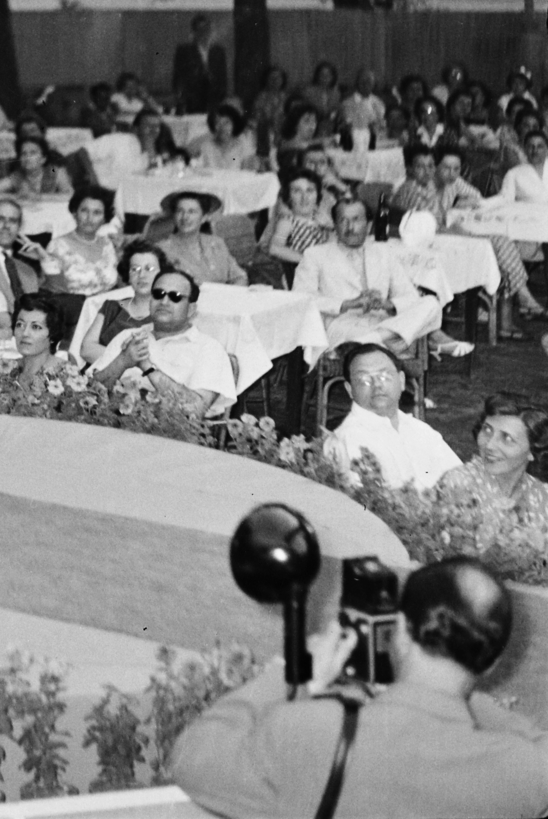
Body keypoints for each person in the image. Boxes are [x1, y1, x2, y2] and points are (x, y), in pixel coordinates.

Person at [172, 555, 548, 819]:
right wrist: (462, 696)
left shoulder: (309, 732)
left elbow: (193, 758)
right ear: (493, 662)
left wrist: (294, 675)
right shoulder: (521, 771)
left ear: (399, 631)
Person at [396, 144, 547, 322]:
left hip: (441, 237)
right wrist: (468, 235)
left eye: (430, 166)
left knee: (498, 242)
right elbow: (434, 227)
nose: (428, 171)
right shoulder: (417, 189)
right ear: (410, 169)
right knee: (497, 242)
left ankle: (516, 299)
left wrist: (459, 211)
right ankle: (516, 301)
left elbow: (474, 198)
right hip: (434, 244)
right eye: (421, 167)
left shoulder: (439, 185)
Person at [293, 198, 441, 356]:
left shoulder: (384, 253)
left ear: (369, 225)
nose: (350, 227)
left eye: (356, 220)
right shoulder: (315, 255)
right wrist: (348, 304)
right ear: (335, 226)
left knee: (431, 303)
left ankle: (371, 341)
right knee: (396, 346)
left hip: (384, 323)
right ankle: (382, 344)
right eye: (343, 220)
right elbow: (302, 298)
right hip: (344, 326)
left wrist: (387, 304)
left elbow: (409, 296)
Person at [89, 270, 235, 415]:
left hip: (171, 435)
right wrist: (122, 361)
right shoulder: (128, 337)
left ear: (191, 309)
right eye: (158, 294)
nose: (164, 302)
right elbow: (88, 392)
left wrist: (147, 367)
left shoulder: (208, 349)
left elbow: (195, 409)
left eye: (175, 297)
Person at [322, 342, 461, 490]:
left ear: (401, 381)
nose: (377, 385)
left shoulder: (421, 430)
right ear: (350, 390)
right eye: (364, 380)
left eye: (384, 376)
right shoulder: (348, 439)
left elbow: (460, 477)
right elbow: (365, 505)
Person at [438, 393, 548, 531]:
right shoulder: (458, 484)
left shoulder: (542, 497)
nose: (489, 445)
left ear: (532, 450)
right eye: (487, 430)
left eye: (507, 438)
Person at [76, 241, 171, 364]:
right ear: (128, 275)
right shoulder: (111, 307)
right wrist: (128, 359)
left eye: (149, 269)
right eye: (135, 269)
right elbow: (86, 350)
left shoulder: (166, 314)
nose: (141, 275)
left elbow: (162, 361)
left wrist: (113, 357)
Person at [155, 190, 249, 286]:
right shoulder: (163, 250)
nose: (185, 217)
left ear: (204, 217)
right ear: (174, 216)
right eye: (180, 211)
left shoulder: (216, 243)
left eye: (192, 212)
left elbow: (240, 276)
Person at [0, 198, 56, 303]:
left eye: (13, 221)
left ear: (19, 228)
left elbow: (55, 297)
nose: (6, 226)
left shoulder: (27, 271)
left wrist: (46, 260)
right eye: (0, 219)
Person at [45, 186, 120, 299]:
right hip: (72, 311)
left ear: (105, 218)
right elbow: (54, 290)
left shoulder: (107, 244)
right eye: (84, 211)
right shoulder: (57, 246)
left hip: (107, 310)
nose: (89, 218)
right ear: (75, 213)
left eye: (97, 213)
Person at [0, 293, 72, 390]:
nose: (25, 333)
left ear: (53, 335)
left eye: (36, 327)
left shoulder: (65, 374)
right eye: (20, 325)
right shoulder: (5, 368)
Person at [260, 169, 334, 268]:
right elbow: (275, 248)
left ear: (317, 195)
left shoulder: (323, 219)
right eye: (297, 191)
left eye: (310, 191)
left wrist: (331, 228)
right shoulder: (287, 222)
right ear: (289, 197)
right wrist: (310, 261)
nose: (304, 197)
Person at [0, 136, 72, 202]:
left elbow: (70, 196)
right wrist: (15, 197)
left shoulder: (55, 171)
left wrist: (39, 198)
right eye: (23, 154)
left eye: (33, 153)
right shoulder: (17, 176)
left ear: (43, 159)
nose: (27, 157)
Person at [171, 13, 228, 115]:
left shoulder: (218, 51)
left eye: (207, 29)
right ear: (194, 32)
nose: (205, 34)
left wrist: (221, 98)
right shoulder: (184, 51)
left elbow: (222, 78)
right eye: (200, 30)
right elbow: (178, 77)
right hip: (192, 102)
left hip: (214, 101)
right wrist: (180, 99)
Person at [192, 103, 257, 172]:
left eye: (226, 123)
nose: (222, 127)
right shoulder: (206, 146)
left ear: (234, 124)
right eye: (217, 122)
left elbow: (248, 175)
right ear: (213, 125)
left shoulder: (243, 146)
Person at [249, 65, 290, 161]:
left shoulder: (287, 97)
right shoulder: (261, 97)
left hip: (284, 132)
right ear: (266, 79)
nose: (275, 80)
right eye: (272, 77)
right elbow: (257, 116)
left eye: (278, 77)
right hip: (266, 133)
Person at [340, 67, 387, 137]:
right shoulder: (347, 104)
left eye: (369, 81)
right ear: (356, 82)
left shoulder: (378, 102)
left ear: (374, 83)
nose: (365, 84)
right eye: (362, 81)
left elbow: (381, 124)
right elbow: (349, 126)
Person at [300, 59, 342, 127]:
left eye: (328, 75)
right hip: (312, 125)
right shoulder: (308, 92)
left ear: (333, 77)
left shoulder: (336, 93)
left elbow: (336, 111)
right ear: (317, 76)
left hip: (330, 125)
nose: (325, 78)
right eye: (322, 75)